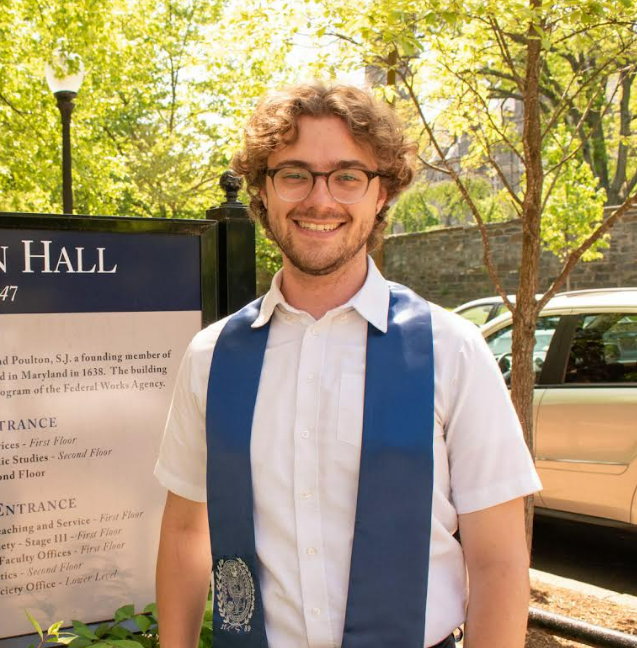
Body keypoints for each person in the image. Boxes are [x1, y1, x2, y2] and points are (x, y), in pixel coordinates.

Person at [154, 82, 542, 648]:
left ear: (381, 192)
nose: (320, 199)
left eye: (347, 176)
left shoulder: (451, 350)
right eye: (293, 174)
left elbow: (499, 563)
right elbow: (187, 531)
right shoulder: (212, 357)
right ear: (264, 189)